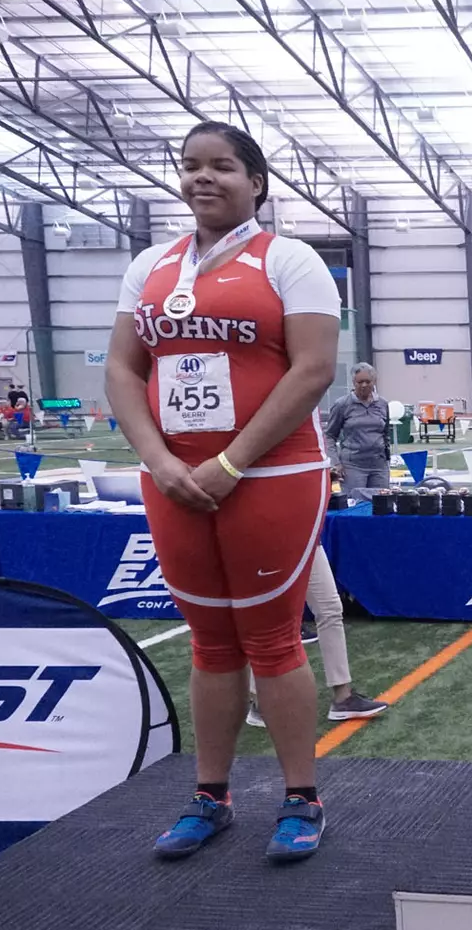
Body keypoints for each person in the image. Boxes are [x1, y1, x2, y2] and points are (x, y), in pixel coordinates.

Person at [104, 120, 340, 863]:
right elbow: (121, 370)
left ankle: (301, 799)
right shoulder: (150, 265)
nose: (204, 178)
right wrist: (158, 459)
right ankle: (212, 797)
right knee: (210, 642)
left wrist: (231, 463)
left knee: (271, 639)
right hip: (173, 479)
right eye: (191, 166)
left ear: (257, 183)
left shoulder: (290, 260)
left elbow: (312, 370)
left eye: (224, 167)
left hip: (270, 476)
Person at [245, 544, 387, 726]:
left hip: (307, 537)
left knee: (330, 609)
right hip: (268, 538)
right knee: (267, 617)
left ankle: (343, 697)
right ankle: (260, 704)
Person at [325, 362, 391, 499]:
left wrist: (386, 458)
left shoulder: (383, 404)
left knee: (382, 505)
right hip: (353, 467)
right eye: (360, 382)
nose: (364, 385)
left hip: (379, 466)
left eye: (368, 381)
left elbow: (386, 433)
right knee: (355, 505)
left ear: (374, 382)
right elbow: (330, 435)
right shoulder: (342, 404)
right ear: (353, 382)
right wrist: (335, 463)